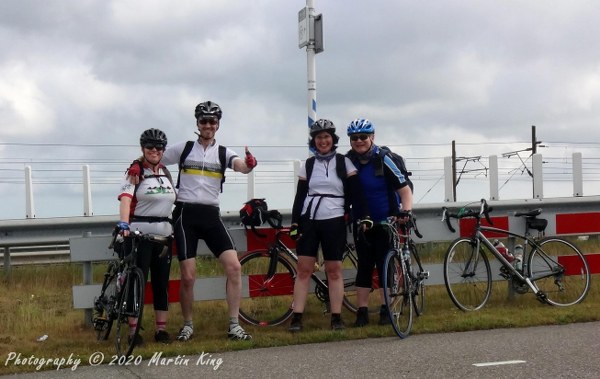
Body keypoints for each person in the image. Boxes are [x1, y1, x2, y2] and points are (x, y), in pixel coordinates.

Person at [130, 101, 257, 341]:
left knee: (234, 267)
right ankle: (187, 325)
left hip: (211, 214)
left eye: (212, 121)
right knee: (188, 276)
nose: (208, 125)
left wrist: (249, 165)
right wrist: (136, 165)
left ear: (218, 125)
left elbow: (239, 165)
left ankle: (233, 324)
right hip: (185, 214)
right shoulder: (185, 148)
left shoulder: (223, 152)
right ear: (197, 123)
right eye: (203, 121)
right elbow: (153, 155)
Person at [288, 119, 371, 332]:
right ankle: (297, 317)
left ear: (332, 139)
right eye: (318, 137)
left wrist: (363, 215)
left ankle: (336, 317)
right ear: (314, 141)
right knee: (304, 269)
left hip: (334, 219)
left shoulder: (344, 162)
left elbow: (357, 193)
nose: (323, 141)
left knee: (333, 270)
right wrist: (295, 222)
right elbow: (299, 197)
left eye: (326, 137)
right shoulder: (309, 164)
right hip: (310, 219)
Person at [345, 118, 414, 327]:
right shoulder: (349, 161)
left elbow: (404, 189)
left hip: (386, 220)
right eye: (354, 138)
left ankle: (387, 310)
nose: (359, 141)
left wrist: (406, 211)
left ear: (372, 137)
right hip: (362, 222)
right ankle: (362, 312)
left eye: (363, 137)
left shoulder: (383, 159)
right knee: (364, 266)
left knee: (386, 265)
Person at [117, 128, 176, 345]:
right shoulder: (135, 171)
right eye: (150, 147)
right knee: (136, 282)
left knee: (161, 283)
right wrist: (124, 224)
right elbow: (125, 198)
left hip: (164, 237)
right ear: (143, 149)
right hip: (139, 236)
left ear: (163, 150)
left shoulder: (166, 173)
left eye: (158, 147)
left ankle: (161, 330)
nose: (154, 150)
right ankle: (134, 331)